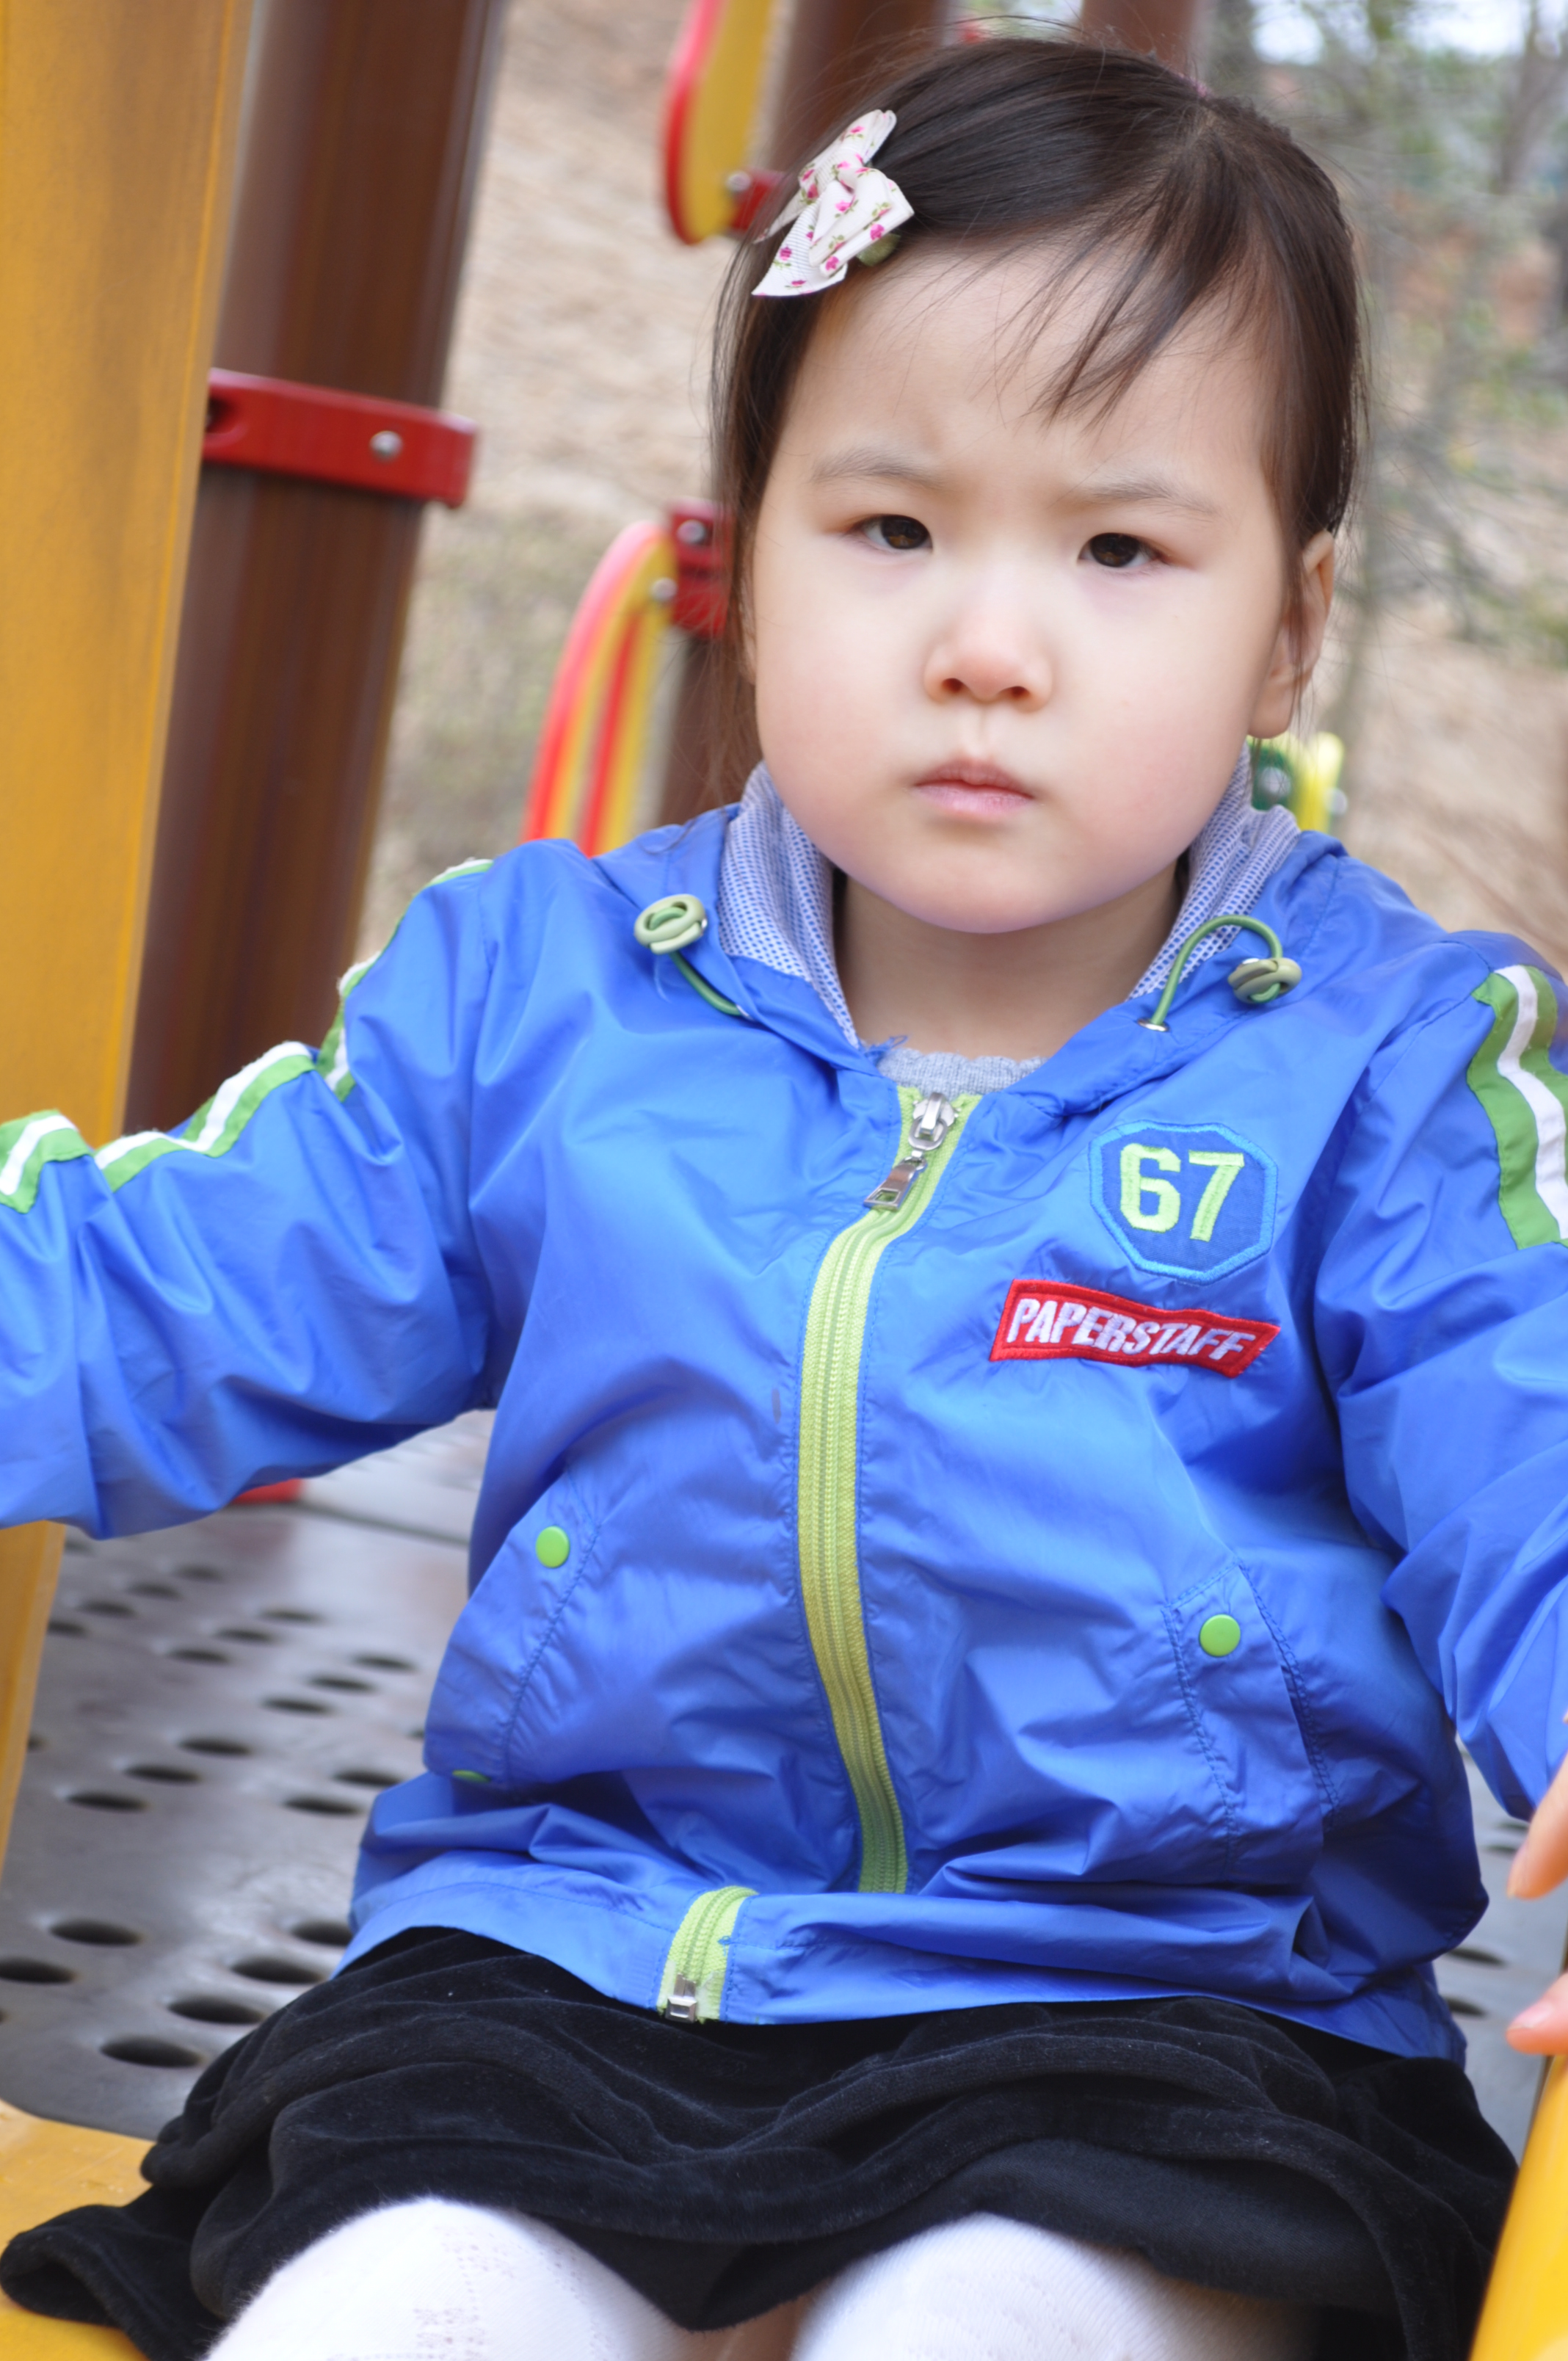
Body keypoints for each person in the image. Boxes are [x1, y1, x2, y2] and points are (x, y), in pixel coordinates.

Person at [0, 32, 1561, 2361]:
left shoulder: (1386, 1073)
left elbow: (1531, 1427)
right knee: (385, 2310)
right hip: (573, 1968)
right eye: (892, 529)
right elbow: (159, 1293)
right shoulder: (542, 1002)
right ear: (746, 560)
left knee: (981, 2328)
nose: (987, 647)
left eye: (1120, 551)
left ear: (1289, 626)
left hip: (1166, 2022)